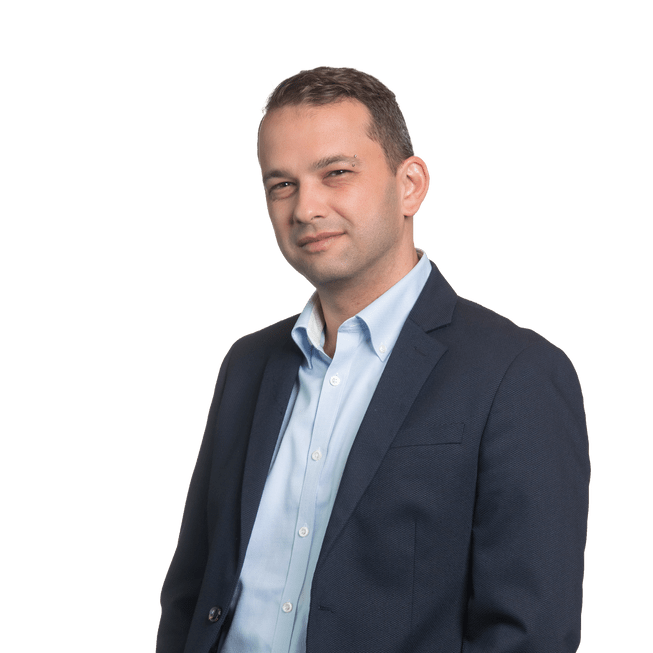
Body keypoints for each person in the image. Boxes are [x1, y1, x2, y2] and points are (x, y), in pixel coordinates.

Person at [156, 66, 590, 653]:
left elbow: (528, 634)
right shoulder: (248, 365)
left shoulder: (518, 374)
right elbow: (192, 587)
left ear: (410, 185)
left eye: (336, 173)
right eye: (281, 185)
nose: (305, 208)